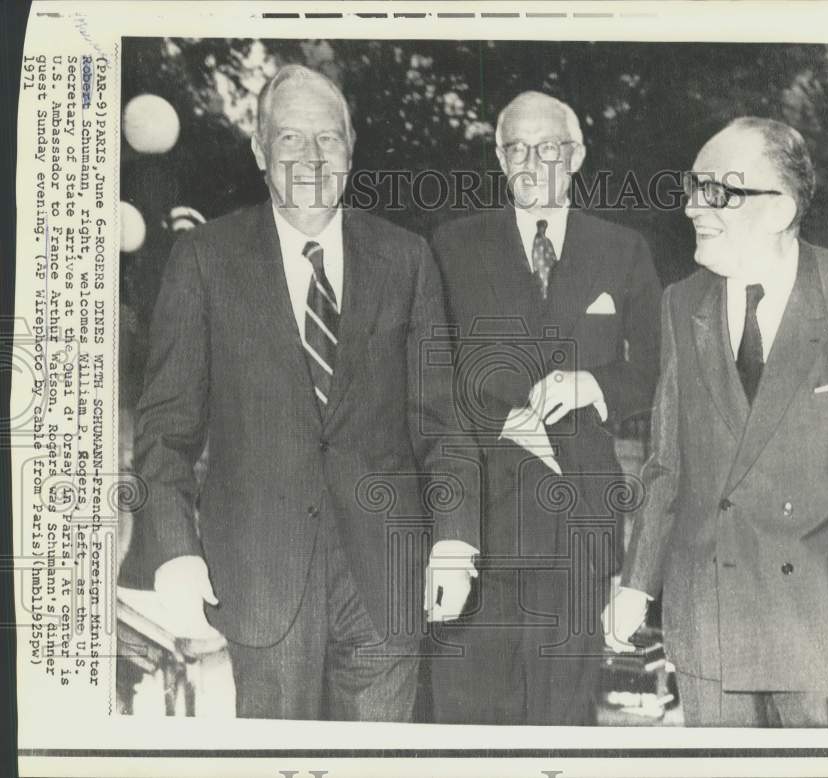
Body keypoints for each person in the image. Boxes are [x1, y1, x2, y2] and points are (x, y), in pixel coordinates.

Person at [123, 64, 481, 720]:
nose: (311, 157)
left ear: (351, 149)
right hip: (259, 580)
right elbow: (165, 429)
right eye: (290, 139)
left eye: (328, 139)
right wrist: (176, 552)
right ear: (260, 149)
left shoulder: (407, 258)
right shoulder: (205, 259)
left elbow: (442, 422)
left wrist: (454, 542)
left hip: (389, 582)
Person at [604, 117, 828, 727]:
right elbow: (666, 464)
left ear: (779, 209)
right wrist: (636, 586)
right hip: (712, 627)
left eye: (717, 191)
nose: (692, 207)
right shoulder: (682, 304)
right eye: (692, 188)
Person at [430, 91, 661, 724]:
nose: (532, 162)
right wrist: (497, 420)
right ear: (500, 160)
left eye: (549, 147)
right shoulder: (450, 248)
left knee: (563, 722)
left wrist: (594, 384)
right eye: (516, 149)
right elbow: (426, 375)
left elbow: (658, 370)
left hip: (579, 522)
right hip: (478, 520)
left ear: (578, 154)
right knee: (468, 718)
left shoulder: (623, 249)